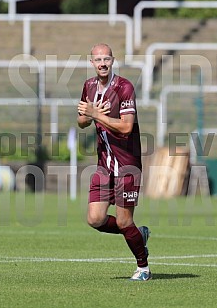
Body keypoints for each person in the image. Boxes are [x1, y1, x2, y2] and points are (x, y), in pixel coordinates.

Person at [77, 43, 151, 281]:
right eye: (98, 60)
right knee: (95, 219)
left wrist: (97, 114)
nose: (102, 63)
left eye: (106, 59)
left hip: (127, 165)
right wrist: (87, 117)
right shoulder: (88, 86)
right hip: (104, 165)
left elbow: (127, 127)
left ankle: (143, 268)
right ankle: (137, 235)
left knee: (123, 220)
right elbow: (81, 119)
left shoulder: (124, 87)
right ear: (91, 63)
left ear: (113, 60)